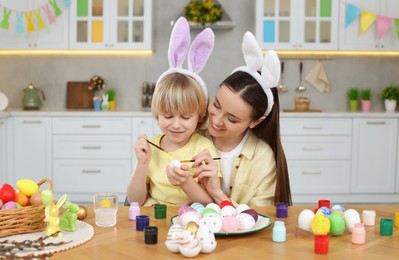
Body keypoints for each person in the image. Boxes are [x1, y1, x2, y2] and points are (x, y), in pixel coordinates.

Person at [126, 17, 220, 206]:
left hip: (192, 221)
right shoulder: (150, 147)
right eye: (168, 116)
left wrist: (186, 183)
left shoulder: (204, 149)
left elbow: (210, 203)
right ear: (157, 114)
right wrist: (143, 164)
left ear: (199, 116)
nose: (176, 124)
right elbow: (135, 201)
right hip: (155, 220)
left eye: (185, 117)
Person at [191, 31, 292, 206]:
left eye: (232, 119)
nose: (217, 121)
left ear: (256, 121)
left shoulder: (262, 158)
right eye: (216, 104)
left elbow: (259, 218)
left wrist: (217, 193)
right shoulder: (191, 135)